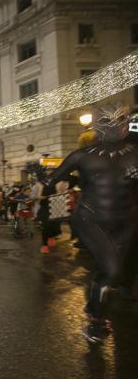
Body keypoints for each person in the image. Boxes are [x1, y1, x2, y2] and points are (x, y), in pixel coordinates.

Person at [41, 104, 138, 344]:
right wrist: (79, 178)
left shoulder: (136, 152)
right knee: (111, 270)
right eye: (109, 121)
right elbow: (52, 180)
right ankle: (96, 318)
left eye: (121, 120)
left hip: (127, 221)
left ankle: (98, 303)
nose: (116, 126)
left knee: (118, 268)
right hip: (91, 219)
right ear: (97, 126)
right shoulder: (81, 156)